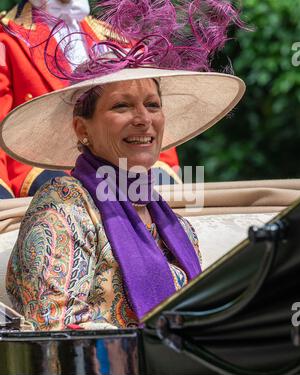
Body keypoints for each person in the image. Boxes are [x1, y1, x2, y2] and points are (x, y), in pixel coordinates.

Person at [2, 0, 245, 330]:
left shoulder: (177, 226)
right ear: (81, 129)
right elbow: (57, 341)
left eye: (152, 105)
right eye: (121, 106)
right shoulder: (61, 213)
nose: (144, 119)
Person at [0, 0, 181, 198]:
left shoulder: (119, 40)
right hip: (45, 188)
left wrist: (163, 178)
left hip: (128, 184)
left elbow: (150, 112)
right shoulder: (6, 39)